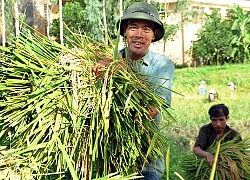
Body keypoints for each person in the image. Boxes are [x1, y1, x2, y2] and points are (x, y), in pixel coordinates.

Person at [92, 2, 175, 179]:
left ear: (154, 35)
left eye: (146, 29)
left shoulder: (162, 65)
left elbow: (151, 110)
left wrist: (120, 69)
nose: (138, 35)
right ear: (125, 32)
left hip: (146, 160)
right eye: (133, 28)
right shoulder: (106, 62)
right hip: (109, 158)